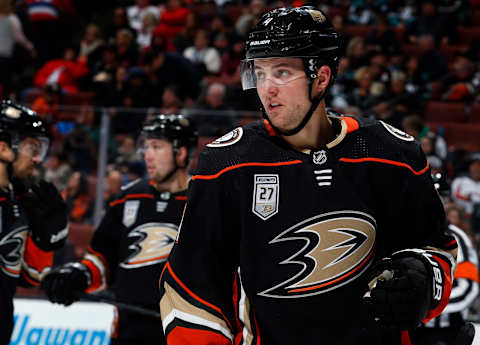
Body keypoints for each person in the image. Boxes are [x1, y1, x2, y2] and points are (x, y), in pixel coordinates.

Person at [158, 7, 458, 345]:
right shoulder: (226, 163)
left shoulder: (392, 154)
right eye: (259, 72)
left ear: (321, 78)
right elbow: (190, 283)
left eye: (282, 72)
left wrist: (422, 278)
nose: (267, 88)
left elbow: (437, 249)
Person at [41, 114, 198, 345]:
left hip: (183, 335)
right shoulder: (128, 197)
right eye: (146, 147)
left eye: (156, 147)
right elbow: (102, 258)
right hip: (126, 332)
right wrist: (78, 275)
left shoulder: (203, 200)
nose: (147, 155)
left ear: (181, 152)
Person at [0, 100, 67, 345]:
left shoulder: (18, 199)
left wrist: (46, 241)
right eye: (32, 147)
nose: (37, 158)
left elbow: (27, 278)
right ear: (4, 148)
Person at [411, 223, 479, 345]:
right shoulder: (403, 230)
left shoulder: (454, 236)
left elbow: (468, 288)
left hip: (445, 331)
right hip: (409, 329)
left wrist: (426, 307)